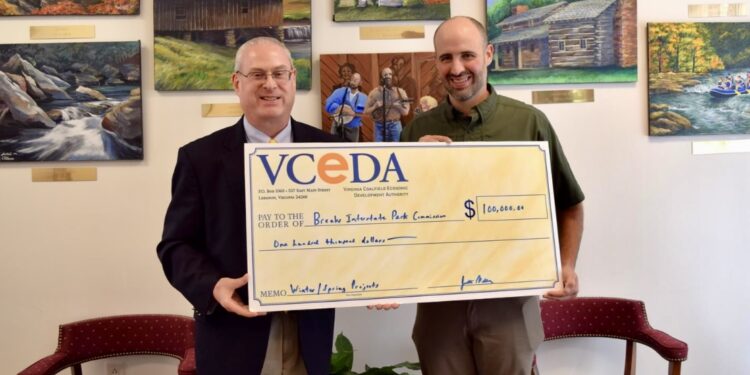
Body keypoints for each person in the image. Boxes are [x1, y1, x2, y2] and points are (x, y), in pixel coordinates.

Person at [401, 16, 585, 375]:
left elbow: (570, 204)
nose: (457, 68)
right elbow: (396, 214)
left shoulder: (529, 122)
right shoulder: (417, 131)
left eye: (467, 55)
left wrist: (566, 265)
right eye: (445, 58)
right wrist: (412, 163)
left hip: (510, 305)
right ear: (435, 61)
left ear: (488, 54)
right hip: (439, 306)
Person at [156, 37, 338, 375]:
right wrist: (212, 285)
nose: (270, 84)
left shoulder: (332, 150)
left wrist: (375, 278)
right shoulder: (199, 158)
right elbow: (175, 245)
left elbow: (353, 225)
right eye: (257, 74)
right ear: (237, 83)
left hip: (309, 333)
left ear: (293, 79)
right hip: (234, 334)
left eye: (279, 73)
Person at [365, 67, 410, 142]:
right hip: (379, 127)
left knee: (397, 150)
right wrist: (375, 106)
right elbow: (366, 111)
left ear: (393, 76)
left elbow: (406, 112)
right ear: (381, 78)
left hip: (395, 126)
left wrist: (397, 106)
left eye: (390, 74)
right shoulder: (374, 92)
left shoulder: (401, 92)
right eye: (385, 75)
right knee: (379, 151)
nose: (388, 76)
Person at [325, 72, 368, 142]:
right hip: (337, 125)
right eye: (352, 79)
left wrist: (353, 113)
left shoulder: (364, 98)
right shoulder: (339, 92)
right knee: (335, 148)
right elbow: (328, 104)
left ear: (360, 83)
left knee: (351, 150)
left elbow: (363, 113)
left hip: (353, 128)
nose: (353, 81)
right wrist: (337, 108)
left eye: (356, 80)